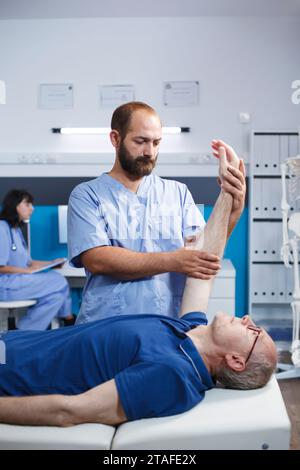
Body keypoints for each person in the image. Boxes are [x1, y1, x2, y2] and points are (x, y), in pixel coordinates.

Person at [0, 143, 277, 427]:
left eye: (254, 331)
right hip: (14, 345)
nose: (247, 319)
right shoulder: (187, 331)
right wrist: (229, 197)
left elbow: (68, 412)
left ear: (235, 361)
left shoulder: (174, 373)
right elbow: (203, 269)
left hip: (14, 370)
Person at [68, 101, 246, 324]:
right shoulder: (87, 195)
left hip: (167, 327)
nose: (149, 152)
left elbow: (203, 251)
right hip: (107, 328)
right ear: (115, 138)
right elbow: (97, 259)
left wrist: (233, 208)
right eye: (140, 141)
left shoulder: (177, 193)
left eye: (156, 142)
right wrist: (173, 260)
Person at [0, 189, 75, 330]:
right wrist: (26, 271)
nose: (32, 208)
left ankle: (23, 334)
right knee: (59, 280)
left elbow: (28, 262)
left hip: (18, 282)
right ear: (15, 205)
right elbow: (1, 267)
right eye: (27, 204)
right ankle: (69, 320)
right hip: (5, 285)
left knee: (56, 297)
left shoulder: (15, 230)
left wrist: (52, 263)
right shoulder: (1, 228)